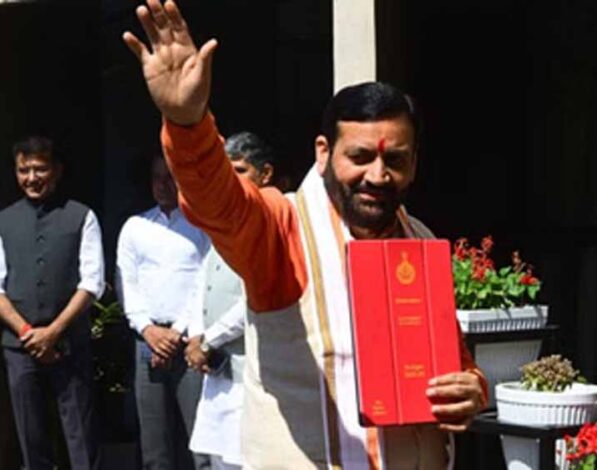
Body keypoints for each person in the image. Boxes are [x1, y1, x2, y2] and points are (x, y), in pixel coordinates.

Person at [123, 2, 486, 468]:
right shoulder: (283, 226)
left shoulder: (418, 240)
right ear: (323, 152)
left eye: (394, 160)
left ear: (413, 163)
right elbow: (220, 204)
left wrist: (471, 387)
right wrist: (188, 124)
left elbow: (450, 360)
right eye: (360, 157)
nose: (378, 175)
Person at [0, 136, 104, 470]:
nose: (31, 178)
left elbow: (92, 282)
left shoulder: (81, 216)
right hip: (20, 348)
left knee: (81, 439)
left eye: (40, 169)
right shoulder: (4, 221)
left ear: (56, 170)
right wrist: (27, 332)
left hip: (70, 345)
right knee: (31, 440)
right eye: (23, 170)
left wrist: (54, 331)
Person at [184, 131, 277, 470]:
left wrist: (209, 340)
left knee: (245, 458)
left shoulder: (272, 221)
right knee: (217, 458)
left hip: (249, 368)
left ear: (265, 174)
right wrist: (196, 334)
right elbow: (203, 283)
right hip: (217, 367)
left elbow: (255, 296)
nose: (231, 181)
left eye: (240, 171)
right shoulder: (224, 219)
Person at [116, 155, 211, 470]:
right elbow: (127, 283)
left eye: (170, 177)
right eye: (157, 178)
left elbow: (205, 282)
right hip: (147, 341)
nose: (163, 185)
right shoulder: (135, 226)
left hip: (191, 341)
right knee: (154, 446)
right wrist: (147, 329)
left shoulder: (202, 225)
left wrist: (177, 332)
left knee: (201, 444)